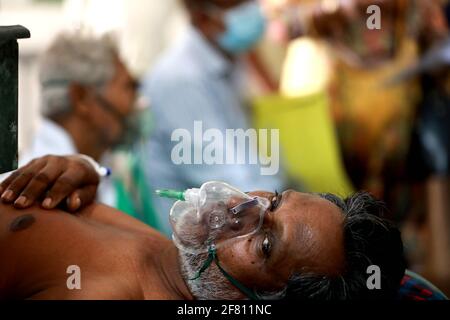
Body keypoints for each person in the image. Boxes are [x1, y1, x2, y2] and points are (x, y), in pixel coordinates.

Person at [0, 155, 411, 300]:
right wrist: (83, 167)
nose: (241, 208)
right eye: (274, 200)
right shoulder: (162, 255)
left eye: (265, 244)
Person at [142, 0, 286, 236]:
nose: (253, 9)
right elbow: (237, 187)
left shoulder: (229, 57)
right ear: (201, 18)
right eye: (239, 5)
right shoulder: (179, 81)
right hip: (205, 245)